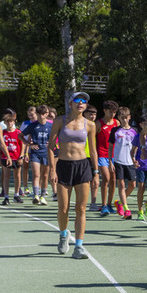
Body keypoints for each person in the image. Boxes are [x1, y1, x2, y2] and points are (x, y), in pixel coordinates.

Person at [48, 92, 97, 259]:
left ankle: (79, 246)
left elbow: (94, 150)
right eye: (77, 100)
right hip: (63, 166)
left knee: (81, 208)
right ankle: (63, 234)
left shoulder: (90, 124)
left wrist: (96, 171)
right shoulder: (60, 121)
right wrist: (52, 169)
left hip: (82, 166)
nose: (81, 103)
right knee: (63, 208)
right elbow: (50, 147)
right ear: (71, 103)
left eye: (84, 101)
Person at [109, 107, 139, 219]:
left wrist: (136, 159)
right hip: (118, 161)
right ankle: (126, 209)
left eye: (126, 117)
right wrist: (110, 162)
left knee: (132, 185)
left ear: (129, 117)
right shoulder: (115, 131)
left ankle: (120, 202)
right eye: (122, 118)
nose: (124, 120)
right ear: (119, 118)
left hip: (130, 161)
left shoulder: (134, 131)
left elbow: (136, 146)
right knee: (121, 184)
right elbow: (111, 146)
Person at [21, 105, 53, 205]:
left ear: (47, 114)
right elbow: (20, 135)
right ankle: (36, 195)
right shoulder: (32, 125)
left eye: (43, 114)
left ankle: (43, 196)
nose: (41, 116)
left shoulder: (51, 126)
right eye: (39, 114)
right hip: (35, 153)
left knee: (45, 175)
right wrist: (29, 144)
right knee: (36, 174)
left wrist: (52, 144)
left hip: (46, 153)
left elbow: (57, 138)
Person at [95, 100, 120, 215]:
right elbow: (92, 139)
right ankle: (103, 205)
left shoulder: (117, 123)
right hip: (101, 155)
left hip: (114, 155)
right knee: (106, 178)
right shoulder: (99, 123)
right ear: (104, 110)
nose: (112, 114)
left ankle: (109, 205)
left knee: (113, 180)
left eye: (114, 112)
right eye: (110, 112)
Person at [0, 110, 24, 203]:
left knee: (17, 176)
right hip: (6, 157)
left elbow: (23, 145)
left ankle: (16, 195)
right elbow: (0, 145)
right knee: (6, 176)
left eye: (11, 121)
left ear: (14, 122)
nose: (10, 123)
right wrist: (0, 156)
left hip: (16, 156)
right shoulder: (2, 132)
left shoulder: (18, 132)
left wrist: (21, 156)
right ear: (5, 122)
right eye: (8, 121)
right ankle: (6, 196)